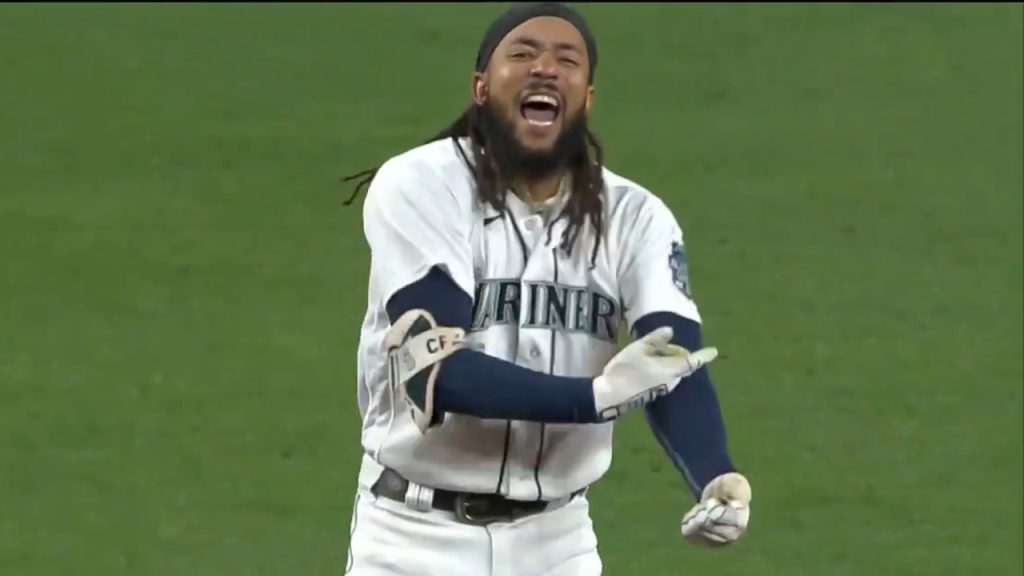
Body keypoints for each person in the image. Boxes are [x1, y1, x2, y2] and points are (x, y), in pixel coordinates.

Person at [341, 3, 752, 574]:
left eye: (567, 60)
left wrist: (715, 475)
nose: (546, 69)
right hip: (413, 538)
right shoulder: (421, 184)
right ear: (481, 87)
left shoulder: (635, 218)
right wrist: (593, 399)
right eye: (523, 54)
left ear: (586, 98)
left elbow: (672, 362)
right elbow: (433, 367)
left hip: (558, 542)